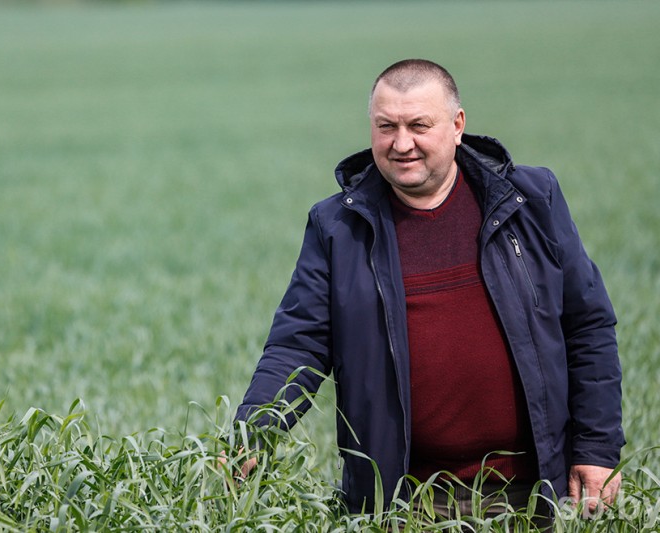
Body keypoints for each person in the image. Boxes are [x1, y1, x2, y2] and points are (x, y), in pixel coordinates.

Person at [234, 59, 625, 519]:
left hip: (532, 497)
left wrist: (596, 448)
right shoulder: (339, 226)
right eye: (386, 127)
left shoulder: (530, 201)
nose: (402, 144)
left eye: (418, 125)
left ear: (457, 125)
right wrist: (251, 434)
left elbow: (587, 326)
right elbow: (297, 345)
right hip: (403, 506)